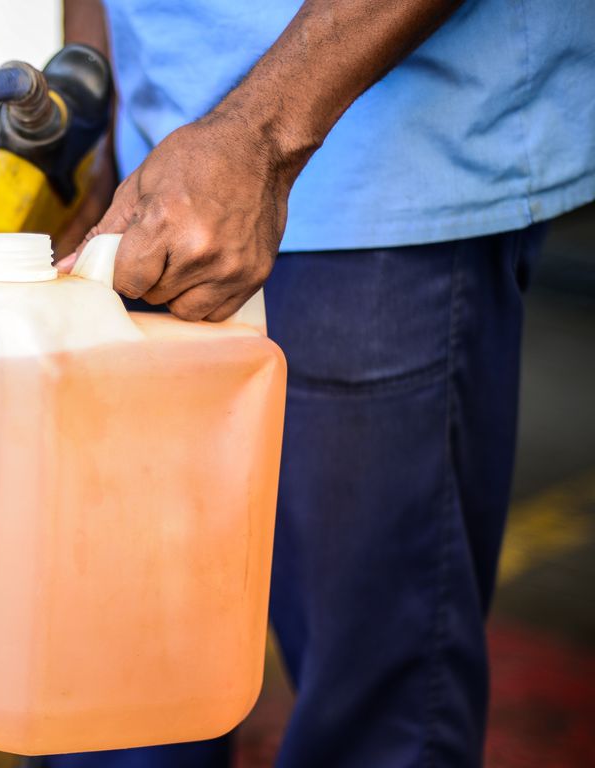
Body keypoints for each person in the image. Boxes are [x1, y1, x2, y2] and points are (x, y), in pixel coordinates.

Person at [44, 1, 595, 766]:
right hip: (153, 178)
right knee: (117, 693)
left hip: (379, 188)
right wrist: (88, 110)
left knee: (372, 710)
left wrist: (259, 137)